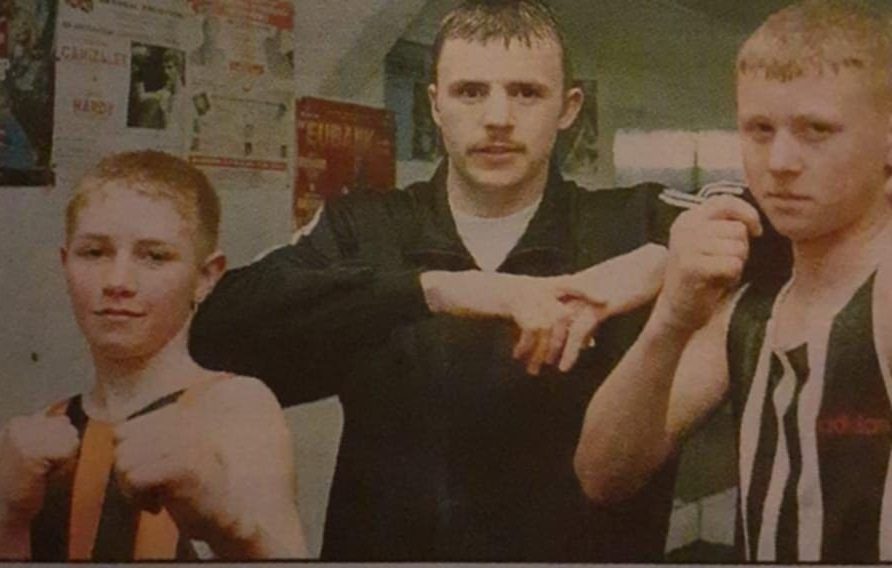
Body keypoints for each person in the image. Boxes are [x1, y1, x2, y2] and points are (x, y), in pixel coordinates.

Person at [190, 0, 786, 560]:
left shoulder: (629, 222)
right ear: (434, 104)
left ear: (568, 109)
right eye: (470, 92)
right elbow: (219, 330)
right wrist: (443, 288)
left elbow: (804, 221)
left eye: (526, 93)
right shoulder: (364, 227)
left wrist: (656, 258)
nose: (497, 118)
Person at [573, 0, 892, 562]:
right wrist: (673, 316)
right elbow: (603, 474)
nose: (781, 161)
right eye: (760, 130)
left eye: (817, 130)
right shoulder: (753, 311)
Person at [0, 151, 307, 560]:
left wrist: (229, 521)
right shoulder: (49, 427)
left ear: (205, 277)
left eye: (155, 257)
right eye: (94, 252)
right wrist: (9, 515)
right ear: (65, 263)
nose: (117, 281)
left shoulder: (234, 406)